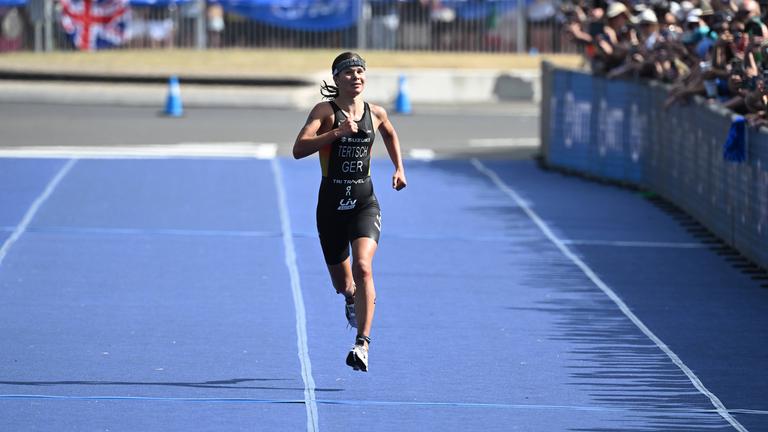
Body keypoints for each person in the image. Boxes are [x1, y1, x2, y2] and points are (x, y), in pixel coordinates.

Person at [292, 52, 407, 372]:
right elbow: (299, 149)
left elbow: (390, 133)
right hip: (330, 205)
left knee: (364, 266)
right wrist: (336, 134)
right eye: (349, 72)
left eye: (361, 71)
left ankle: (362, 344)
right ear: (336, 78)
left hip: (363, 201)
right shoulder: (324, 112)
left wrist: (399, 168)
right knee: (344, 284)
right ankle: (350, 298)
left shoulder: (376, 112)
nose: (357, 77)